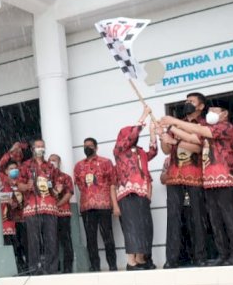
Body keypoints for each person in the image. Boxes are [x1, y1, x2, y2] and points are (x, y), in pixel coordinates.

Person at [160, 100, 233, 266]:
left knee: (230, 219)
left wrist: (174, 122)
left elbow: (197, 131)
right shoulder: (208, 131)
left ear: (225, 113)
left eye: (214, 110)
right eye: (209, 111)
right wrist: (168, 130)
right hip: (210, 181)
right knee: (215, 221)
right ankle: (223, 254)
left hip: (226, 179)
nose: (210, 113)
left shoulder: (226, 127)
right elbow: (191, 137)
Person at [158, 92, 209, 268]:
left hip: (195, 175)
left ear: (201, 106)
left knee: (197, 217)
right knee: (173, 218)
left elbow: (198, 147)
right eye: (186, 100)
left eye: (192, 101)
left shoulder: (203, 125)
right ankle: (172, 259)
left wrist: (174, 142)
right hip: (174, 176)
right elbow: (166, 150)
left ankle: (200, 257)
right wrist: (162, 138)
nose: (187, 103)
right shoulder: (175, 123)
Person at [114, 105, 158, 270]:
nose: (134, 135)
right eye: (130, 132)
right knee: (131, 226)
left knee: (144, 226)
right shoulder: (119, 150)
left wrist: (153, 132)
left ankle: (141, 259)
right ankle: (130, 262)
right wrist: (144, 116)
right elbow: (131, 137)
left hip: (142, 193)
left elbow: (153, 152)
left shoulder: (140, 152)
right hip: (127, 193)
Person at [74, 138, 119, 272]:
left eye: (90, 146)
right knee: (90, 238)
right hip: (87, 206)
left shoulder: (106, 162)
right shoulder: (78, 166)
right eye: (85, 146)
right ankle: (95, 267)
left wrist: (113, 203)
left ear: (96, 148)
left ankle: (112, 265)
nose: (87, 148)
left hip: (104, 205)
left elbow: (113, 182)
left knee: (108, 236)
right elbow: (79, 184)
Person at [17, 138, 61, 275]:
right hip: (32, 207)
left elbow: (56, 185)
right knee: (33, 241)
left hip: (49, 206)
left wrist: (56, 190)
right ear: (32, 149)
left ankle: (51, 269)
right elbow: (19, 185)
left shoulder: (51, 167)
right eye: (38, 147)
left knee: (51, 239)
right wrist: (26, 186)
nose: (40, 149)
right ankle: (34, 269)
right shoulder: (26, 166)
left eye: (42, 147)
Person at [48, 154, 74, 274]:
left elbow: (69, 193)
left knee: (66, 240)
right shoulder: (45, 179)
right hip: (49, 215)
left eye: (54, 160)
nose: (52, 162)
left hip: (63, 213)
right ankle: (54, 267)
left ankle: (68, 267)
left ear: (59, 162)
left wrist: (57, 205)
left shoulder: (65, 177)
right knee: (52, 241)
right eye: (50, 160)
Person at [0, 160, 24, 271]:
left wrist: (14, 203)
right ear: (5, 172)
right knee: (9, 244)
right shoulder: (3, 185)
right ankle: (11, 267)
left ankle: (21, 265)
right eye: (10, 169)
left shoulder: (22, 182)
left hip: (21, 219)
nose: (14, 171)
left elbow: (16, 202)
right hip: (6, 220)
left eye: (15, 168)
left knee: (20, 244)